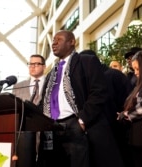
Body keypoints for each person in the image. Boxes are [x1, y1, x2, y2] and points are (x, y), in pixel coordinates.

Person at [37, 30, 125, 167]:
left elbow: (99, 91)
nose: (54, 43)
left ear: (72, 42)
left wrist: (83, 120)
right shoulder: (51, 73)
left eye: (58, 39)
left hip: (76, 124)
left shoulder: (86, 61)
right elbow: (44, 101)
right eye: (53, 40)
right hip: (52, 128)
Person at [12, 54, 46, 163]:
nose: (32, 66)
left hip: (45, 133)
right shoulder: (19, 86)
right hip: (24, 135)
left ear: (44, 67)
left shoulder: (50, 84)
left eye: (36, 64)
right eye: (30, 64)